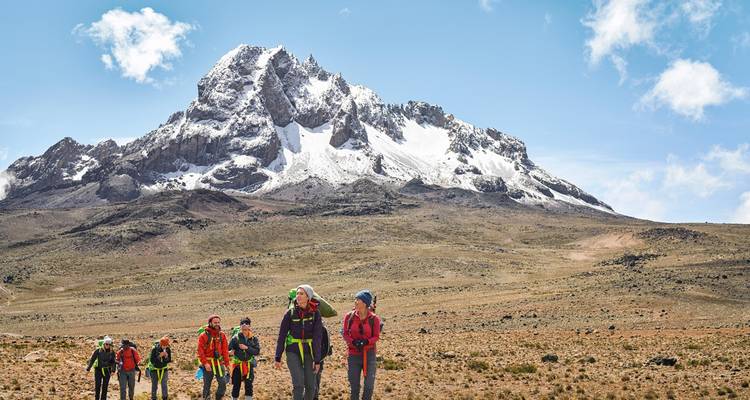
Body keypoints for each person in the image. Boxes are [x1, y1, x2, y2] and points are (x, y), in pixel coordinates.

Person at [275, 284, 323, 400]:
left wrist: (317, 360)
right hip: (293, 350)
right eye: (297, 294)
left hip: (309, 351)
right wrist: (278, 357)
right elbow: (281, 336)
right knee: (299, 385)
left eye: (301, 294)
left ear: (308, 297)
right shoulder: (290, 313)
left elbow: (317, 338)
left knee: (311, 386)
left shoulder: (315, 314)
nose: (298, 296)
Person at [342, 290, 381, 400]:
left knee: (369, 386)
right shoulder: (349, 317)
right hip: (353, 355)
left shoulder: (374, 319)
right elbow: (345, 333)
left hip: (369, 355)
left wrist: (366, 342)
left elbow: (376, 336)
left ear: (364, 303)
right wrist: (353, 342)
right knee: (354, 387)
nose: (355, 302)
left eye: (357, 299)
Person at [198, 315, 230, 400]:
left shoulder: (222, 335)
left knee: (223, 383)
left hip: (219, 363)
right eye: (215, 322)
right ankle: (206, 398)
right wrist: (205, 363)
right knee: (207, 384)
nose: (217, 324)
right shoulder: (203, 335)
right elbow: (200, 351)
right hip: (208, 364)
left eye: (218, 322)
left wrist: (227, 364)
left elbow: (225, 350)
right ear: (210, 323)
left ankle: (218, 398)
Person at [228, 317, 260, 400]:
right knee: (236, 384)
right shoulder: (235, 338)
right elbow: (228, 350)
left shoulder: (253, 338)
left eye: (246, 323)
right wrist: (230, 353)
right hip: (237, 365)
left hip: (249, 365)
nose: (244, 325)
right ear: (240, 326)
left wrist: (247, 348)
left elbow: (257, 351)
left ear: (250, 326)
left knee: (249, 384)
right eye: (242, 323)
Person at [86, 336, 116, 400]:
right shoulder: (98, 351)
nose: (107, 345)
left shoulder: (112, 352)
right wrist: (88, 369)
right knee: (98, 386)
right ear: (104, 344)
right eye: (106, 344)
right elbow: (92, 359)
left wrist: (113, 370)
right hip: (98, 370)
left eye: (109, 344)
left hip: (107, 371)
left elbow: (113, 362)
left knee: (105, 387)